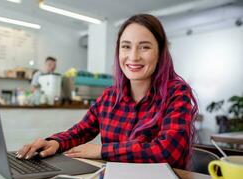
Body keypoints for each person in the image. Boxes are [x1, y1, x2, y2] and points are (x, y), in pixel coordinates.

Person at [17, 14, 198, 169]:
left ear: (160, 52)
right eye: (126, 46)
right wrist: (54, 142)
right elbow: (81, 131)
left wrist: (102, 151)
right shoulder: (110, 96)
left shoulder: (177, 93)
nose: (133, 56)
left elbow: (167, 152)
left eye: (145, 47)